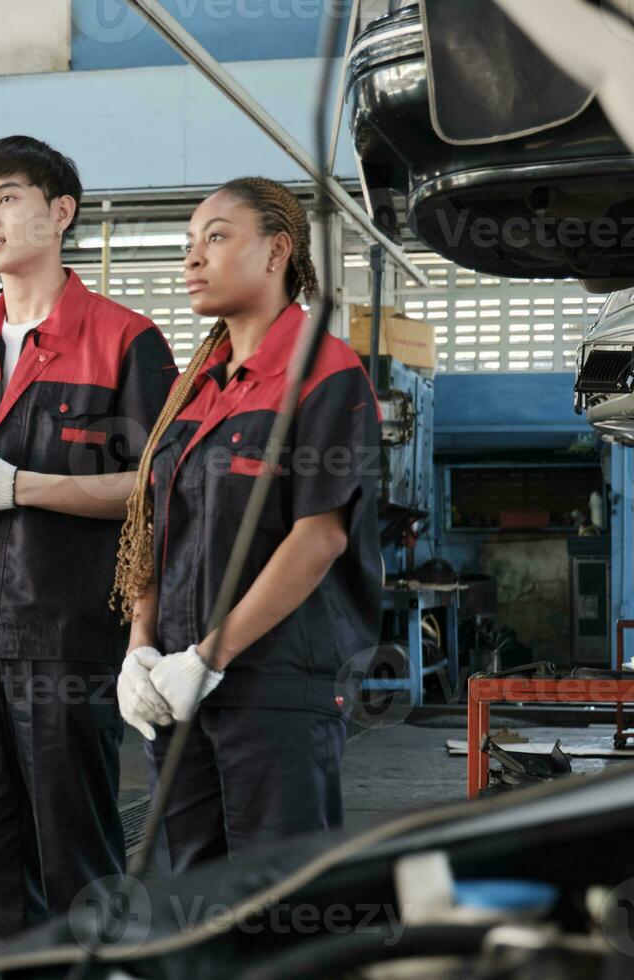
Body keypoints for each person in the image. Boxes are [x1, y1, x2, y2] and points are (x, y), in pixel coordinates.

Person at [0, 135, 177, 957]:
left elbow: (161, 489)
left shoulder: (125, 341)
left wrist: (19, 486)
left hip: (66, 640)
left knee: (77, 866)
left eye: (6, 196)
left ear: (60, 213)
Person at [113, 177, 383, 873]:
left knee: (278, 906)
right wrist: (142, 647)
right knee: (191, 902)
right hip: (176, 684)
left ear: (276, 252)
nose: (191, 259)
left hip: (275, 690)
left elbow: (318, 535)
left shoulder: (322, 371)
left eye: (216, 237)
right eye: (187, 245)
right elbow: (150, 522)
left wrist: (211, 656)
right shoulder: (194, 387)